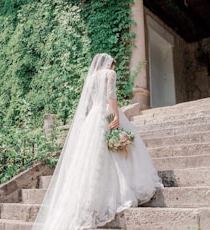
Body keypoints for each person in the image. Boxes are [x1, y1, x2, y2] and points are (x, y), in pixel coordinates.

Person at [32, 53, 163, 230]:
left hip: (93, 117)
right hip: (106, 113)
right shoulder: (110, 74)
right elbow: (111, 96)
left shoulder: (92, 77)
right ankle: (118, 193)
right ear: (111, 65)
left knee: (91, 158)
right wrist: (116, 115)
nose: (114, 69)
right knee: (116, 151)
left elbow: (89, 104)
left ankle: (88, 202)